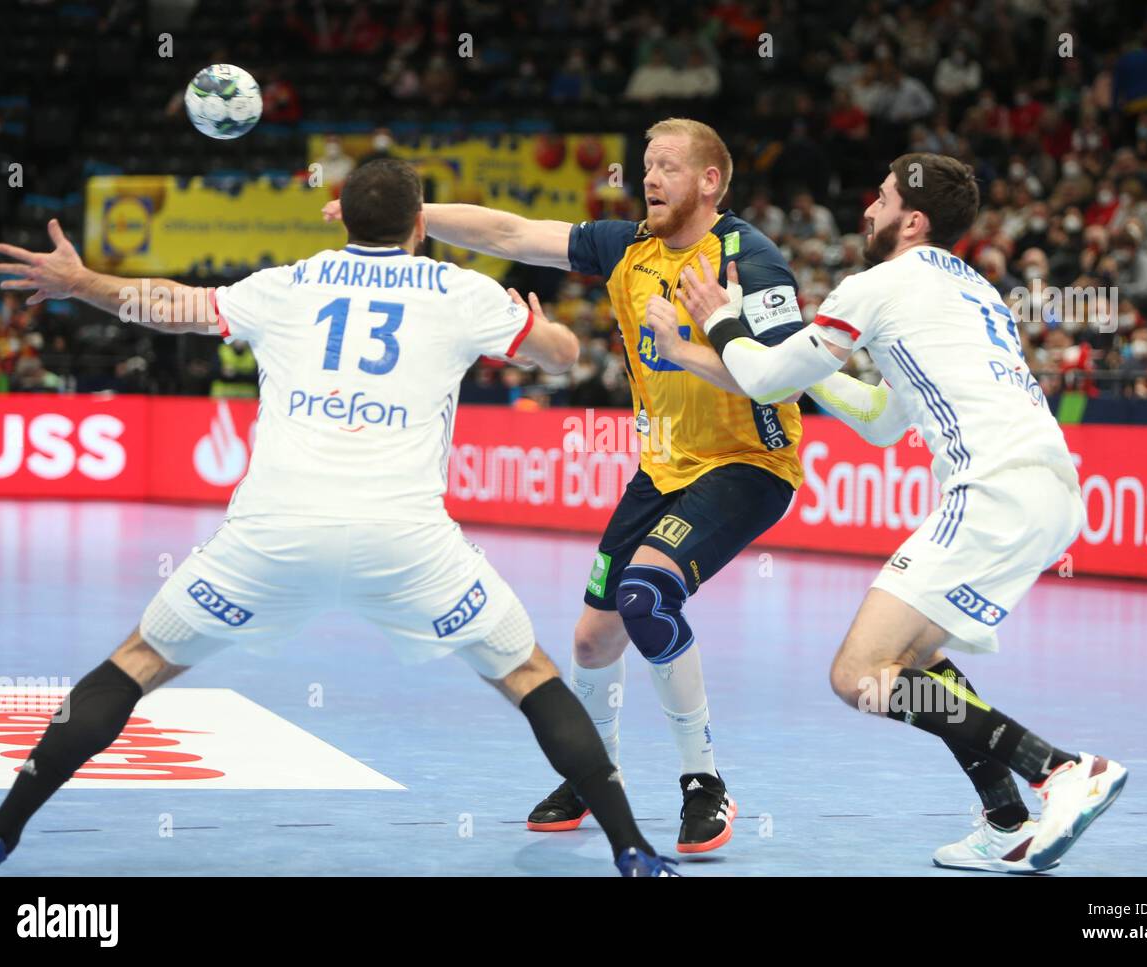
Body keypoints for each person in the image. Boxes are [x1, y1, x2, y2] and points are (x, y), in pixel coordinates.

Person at [0, 160, 677, 878]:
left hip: (274, 532)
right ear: (421, 224)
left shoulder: (288, 283)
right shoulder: (464, 293)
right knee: (530, 675)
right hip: (404, 543)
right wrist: (546, 328)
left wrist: (82, 281)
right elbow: (562, 358)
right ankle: (633, 850)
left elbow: (173, 306)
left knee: (137, 663)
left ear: (344, 213)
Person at [327, 119, 835, 853]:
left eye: (667, 167)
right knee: (594, 640)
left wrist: (685, 349)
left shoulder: (750, 260)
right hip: (662, 466)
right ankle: (596, 775)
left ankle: (704, 783)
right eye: (646, 165)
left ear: (711, 180)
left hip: (749, 463)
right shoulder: (629, 246)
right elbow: (510, 232)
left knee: (647, 593)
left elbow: (792, 376)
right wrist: (410, 216)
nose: (649, 178)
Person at [662, 152, 1128, 873]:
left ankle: (1061, 769)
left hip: (993, 489)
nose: (867, 209)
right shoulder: (968, 287)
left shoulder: (878, 283)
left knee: (859, 675)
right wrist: (811, 373)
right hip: (1051, 489)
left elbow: (759, 373)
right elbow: (882, 418)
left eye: (880, 198)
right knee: (914, 659)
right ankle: (1006, 818)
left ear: (913, 219)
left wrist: (720, 321)